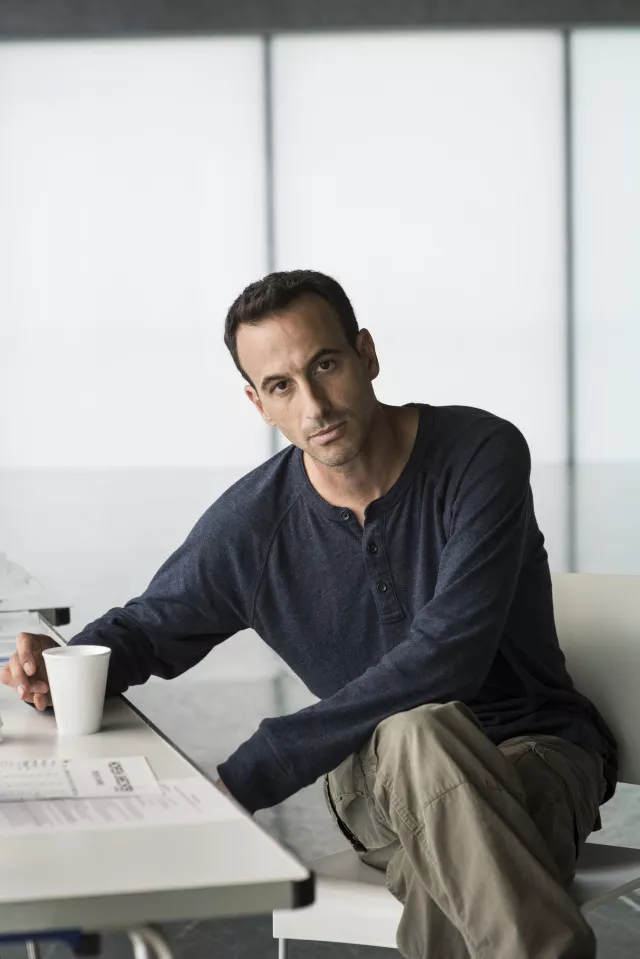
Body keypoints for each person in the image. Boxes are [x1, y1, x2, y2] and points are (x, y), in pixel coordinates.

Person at [2, 270, 617, 959]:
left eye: (325, 365)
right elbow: (149, 627)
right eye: (281, 385)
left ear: (366, 354)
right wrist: (61, 666)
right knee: (416, 741)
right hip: (373, 781)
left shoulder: (479, 454)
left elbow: (448, 658)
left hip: (537, 755)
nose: (314, 405)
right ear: (258, 402)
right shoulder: (255, 523)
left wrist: (252, 772)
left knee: (440, 832)